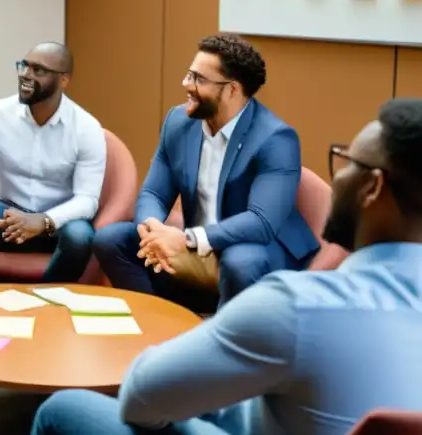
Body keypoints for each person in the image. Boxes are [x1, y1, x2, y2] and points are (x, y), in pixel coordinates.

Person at [2, 97, 422, 435]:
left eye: (346, 162)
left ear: (373, 187)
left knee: (63, 415)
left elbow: (140, 398)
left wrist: (215, 393)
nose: (338, 177)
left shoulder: (298, 308)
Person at [93, 34, 318, 312]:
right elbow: (154, 192)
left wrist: (186, 239)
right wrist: (152, 231)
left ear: (232, 90)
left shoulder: (276, 138)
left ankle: (225, 340)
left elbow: (261, 222)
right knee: (111, 239)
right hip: (198, 245)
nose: (186, 84)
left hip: (258, 247)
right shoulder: (179, 121)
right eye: (189, 74)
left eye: (199, 79)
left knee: (239, 261)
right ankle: (163, 319)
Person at [0, 41, 106, 288]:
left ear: (64, 80)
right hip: (6, 220)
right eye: (23, 66)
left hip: (55, 227)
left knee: (79, 236)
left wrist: (43, 221)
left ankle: (45, 297)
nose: (26, 74)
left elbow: (87, 200)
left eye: (38, 70)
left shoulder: (86, 128)